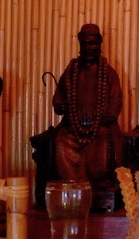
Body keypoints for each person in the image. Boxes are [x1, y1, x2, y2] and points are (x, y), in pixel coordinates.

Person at [52, 23, 124, 194]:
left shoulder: (108, 73)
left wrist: (109, 115)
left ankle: (98, 183)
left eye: (92, 43)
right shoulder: (70, 72)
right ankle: (73, 183)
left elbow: (116, 99)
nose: (88, 48)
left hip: (99, 127)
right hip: (73, 127)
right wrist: (61, 106)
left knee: (102, 139)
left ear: (99, 44)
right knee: (62, 139)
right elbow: (58, 98)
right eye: (84, 43)